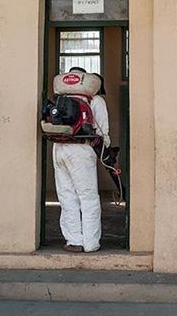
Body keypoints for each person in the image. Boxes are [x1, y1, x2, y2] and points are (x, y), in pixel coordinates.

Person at [53, 67, 110, 253]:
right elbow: (103, 132)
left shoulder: (60, 99)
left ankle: (73, 240)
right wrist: (104, 151)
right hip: (81, 149)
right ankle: (91, 243)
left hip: (59, 148)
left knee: (66, 196)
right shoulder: (96, 100)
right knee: (88, 197)